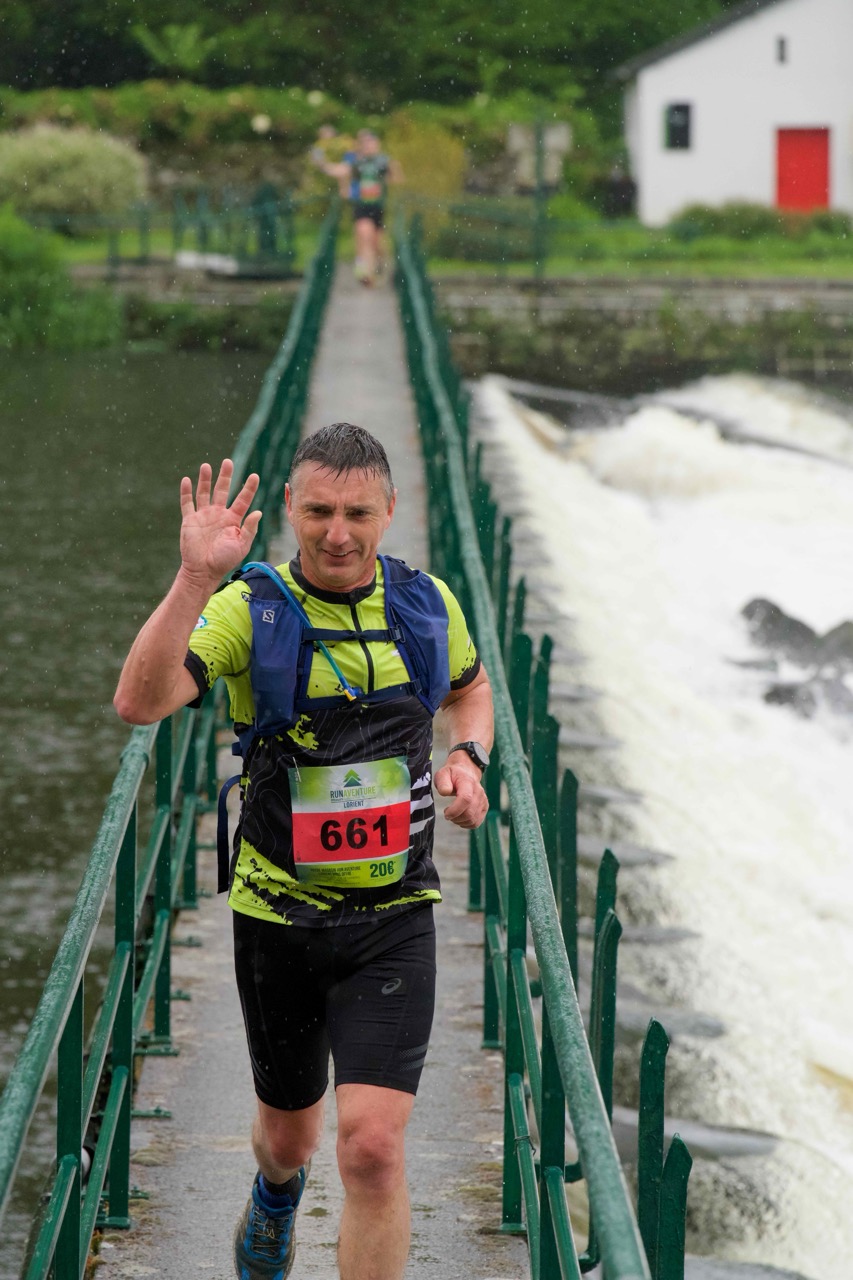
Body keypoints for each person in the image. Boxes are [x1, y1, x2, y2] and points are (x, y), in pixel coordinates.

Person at [113, 423, 493, 1280]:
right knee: (289, 1139)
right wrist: (194, 579)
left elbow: (470, 690)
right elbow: (140, 702)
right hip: (276, 918)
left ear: (390, 509)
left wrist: (468, 759)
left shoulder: (426, 604)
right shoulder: (250, 609)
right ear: (289, 506)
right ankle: (276, 1194)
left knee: (371, 1149)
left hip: (395, 916)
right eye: (318, 511)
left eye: (357, 513)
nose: (337, 534)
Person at [321, 130, 402, 285]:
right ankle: (365, 272)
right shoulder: (357, 162)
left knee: (378, 243)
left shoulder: (383, 161)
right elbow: (342, 172)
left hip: (378, 206)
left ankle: (381, 264)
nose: (368, 147)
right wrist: (343, 187)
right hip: (361, 206)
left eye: (371, 143)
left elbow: (396, 180)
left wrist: (394, 171)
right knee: (364, 235)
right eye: (365, 144)